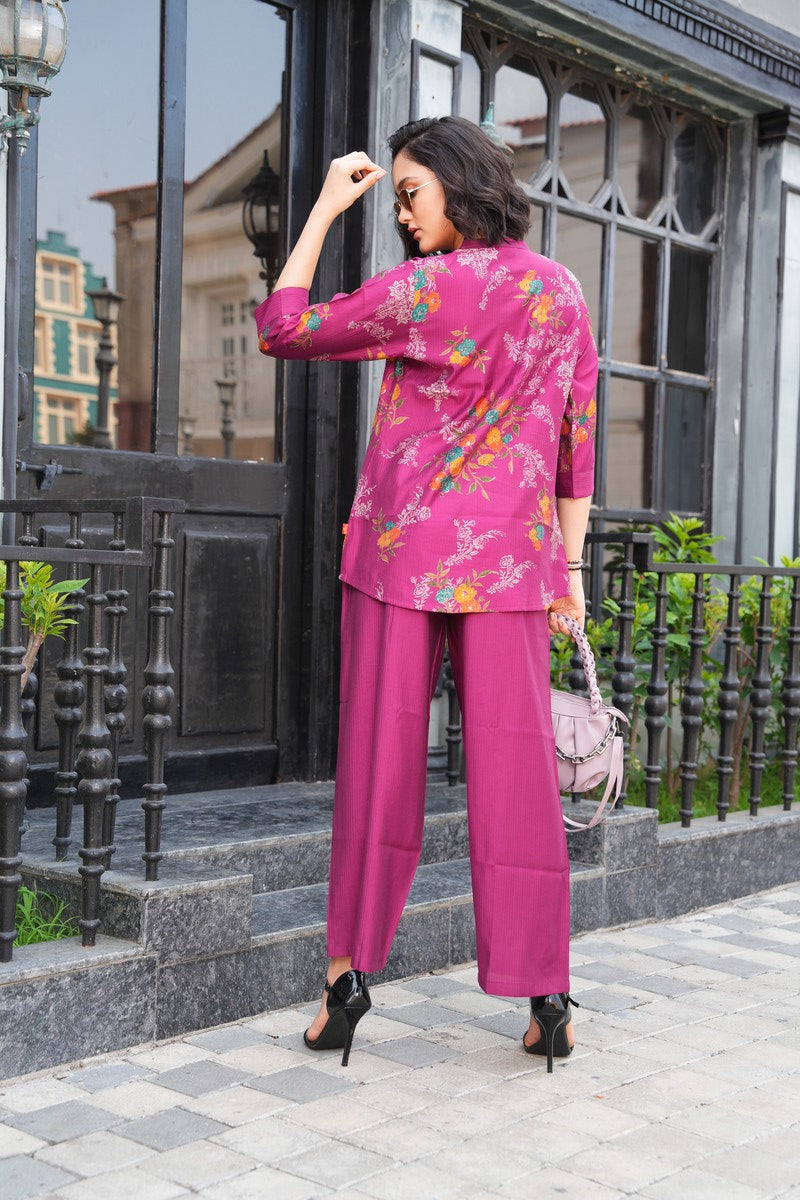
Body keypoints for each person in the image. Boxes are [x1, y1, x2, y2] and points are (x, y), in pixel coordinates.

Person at [254, 115, 598, 1072]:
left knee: (379, 766)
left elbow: (283, 327)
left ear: (459, 182)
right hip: (513, 566)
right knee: (518, 778)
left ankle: (345, 985)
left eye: (411, 194)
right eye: (396, 198)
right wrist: (569, 574)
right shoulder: (561, 290)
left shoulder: (423, 290)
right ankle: (548, 998)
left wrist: (324, 209)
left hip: (401, 556)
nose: (404, 215)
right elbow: (576, 445)